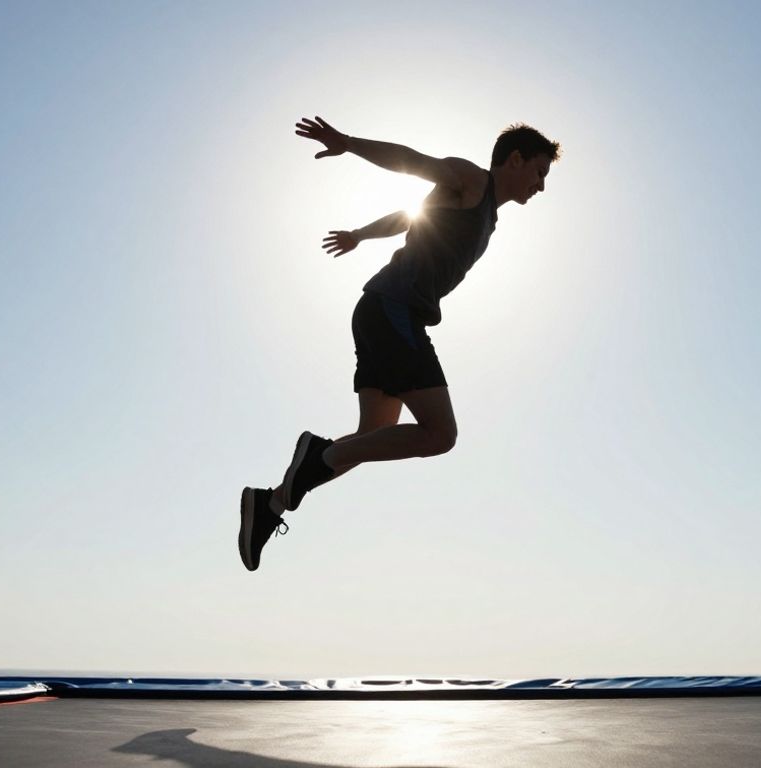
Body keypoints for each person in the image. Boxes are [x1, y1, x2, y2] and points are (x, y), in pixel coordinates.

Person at [239, 116, 561, 572]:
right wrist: (346, 143)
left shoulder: (485, 213)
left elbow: (413, 217)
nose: (541, 186)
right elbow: (412, 162)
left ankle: (268, 505)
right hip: (395, 312)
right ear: (516, 159)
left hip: (381, 311)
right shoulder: (471, 180)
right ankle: (312, 455)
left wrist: (359, 234)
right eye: (540, 172)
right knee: (439, 435)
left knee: (370, 439)